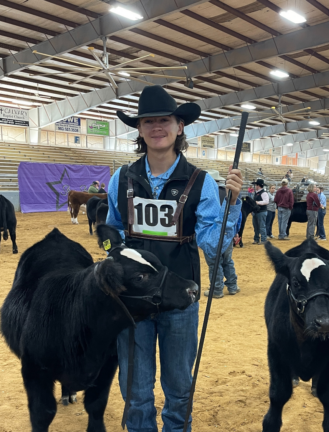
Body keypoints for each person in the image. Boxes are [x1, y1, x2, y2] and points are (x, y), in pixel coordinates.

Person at [105, 85, 243, 432]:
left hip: (180, 297)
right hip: (131, 300)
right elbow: (114, 232)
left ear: (179, 126)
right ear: (138, 129)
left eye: (164, 120)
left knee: (179, 384)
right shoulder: (120, 179)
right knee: (135, 388)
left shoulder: (202, 182)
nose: (156, 127)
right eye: (148, 121)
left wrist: (233, 204)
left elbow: (213, 246)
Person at [203, 169, 241, 298]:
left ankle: (217, 289)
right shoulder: (229, 193)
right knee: (227, 260)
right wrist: (235, 231)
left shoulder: (205, 194)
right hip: (228, 232)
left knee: (214, 262)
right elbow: (237, 214)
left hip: (211, 232)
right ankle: (232, 286)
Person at [252, 179, 270, 244]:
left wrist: (257, 202)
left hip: (261, 211)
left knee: (262, 226)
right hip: (257, 212)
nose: (255, 186)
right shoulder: (257, 193)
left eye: (256, 185)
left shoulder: (264, 193)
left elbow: (266, 201)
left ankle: (263, 239)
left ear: (258, 185)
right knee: (256, 226)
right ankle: (256, 239)